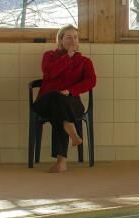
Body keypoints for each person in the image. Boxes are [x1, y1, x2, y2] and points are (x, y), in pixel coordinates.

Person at [34, 24, 96, 174]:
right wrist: (67, 57)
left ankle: (61, 163)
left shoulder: (85, 62)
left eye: (75, 37)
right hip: (46, 101)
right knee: (57, 97)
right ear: (61, 40)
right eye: (68, 37)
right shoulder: (49, 56)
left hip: (71, 101)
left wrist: (70, 91)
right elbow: (49, 73)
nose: (72, 40)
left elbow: (91, 81)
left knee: (60, 109)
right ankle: (72, 136)